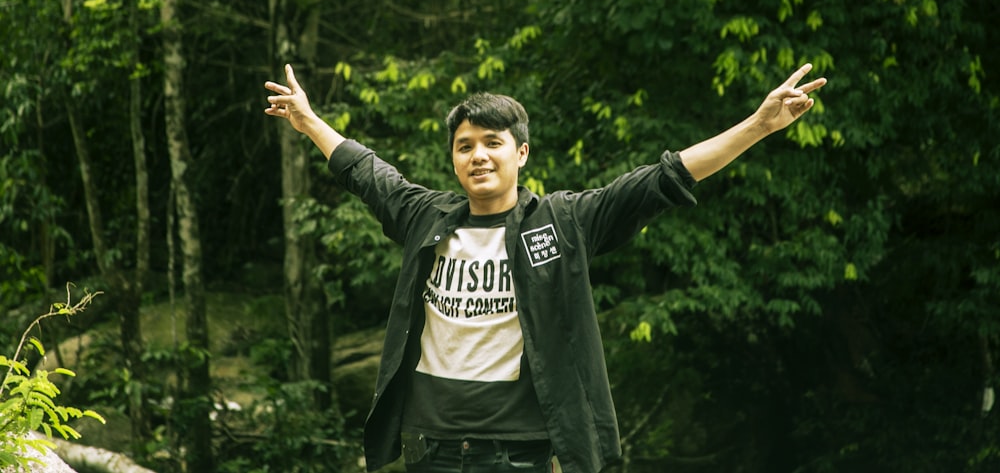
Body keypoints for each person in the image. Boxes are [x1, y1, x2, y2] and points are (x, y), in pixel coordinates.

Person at [264, 63, 827, 473]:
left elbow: (662, 178)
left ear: (521, 153)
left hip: (518, 452)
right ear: (453, 158)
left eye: (492, 142)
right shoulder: (424, 217)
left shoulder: (562, 222)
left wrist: (756, 126)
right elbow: (366, 171)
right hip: (428, 446)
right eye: (464, 146)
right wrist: (311, 122)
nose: (477, 155)